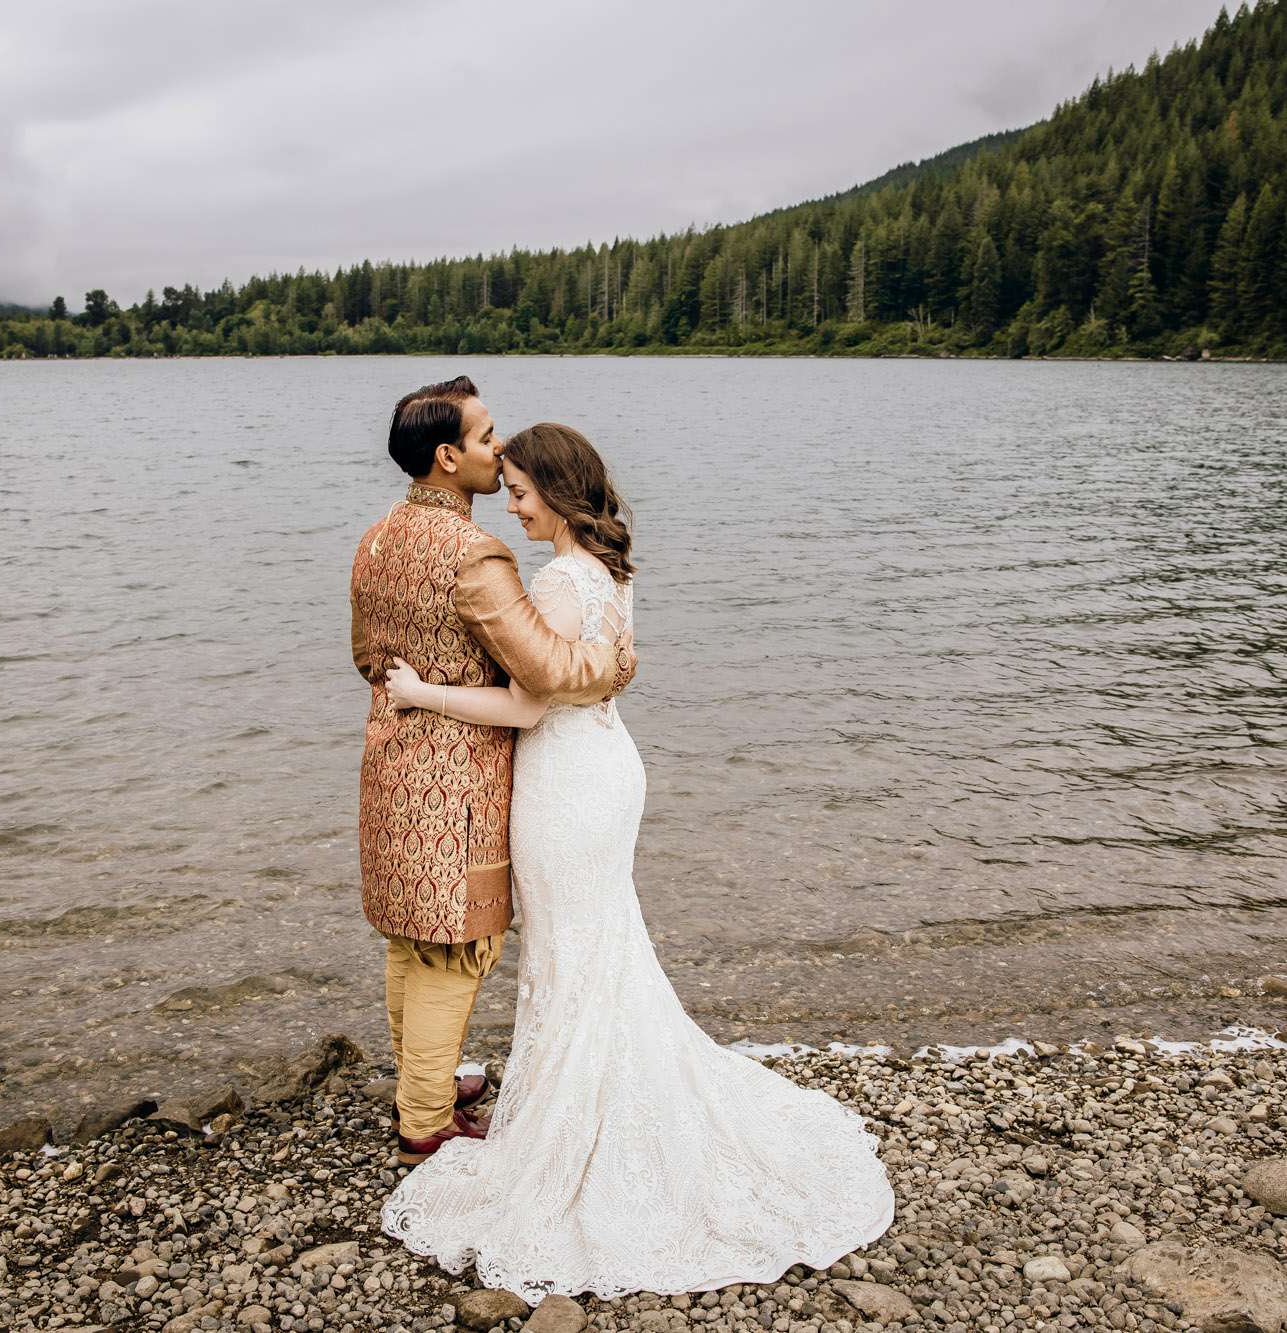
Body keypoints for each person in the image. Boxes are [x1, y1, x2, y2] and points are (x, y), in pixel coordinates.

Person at [377, 422, 893, 1301]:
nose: (514, 504)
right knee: (597, 947)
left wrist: (421, 692)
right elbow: (596, 672)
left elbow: (528, 706)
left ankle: (582, 1129)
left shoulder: (557, 579)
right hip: (604, 769)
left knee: (574, 954)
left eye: (525, 492)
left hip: (568, 784)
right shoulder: (607, 570)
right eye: (507, 487)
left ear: (561, 491)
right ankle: (586, 1099)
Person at [349, 376, 635, 1166]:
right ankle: (425, 1122)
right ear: (447, 457)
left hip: (389, 764)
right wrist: (610, 665)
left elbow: (365, 658)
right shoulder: (476, 556)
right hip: (460, 783)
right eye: (485, 438)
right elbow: (544, 669)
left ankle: (423, 1081)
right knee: (453, 947)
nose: (500, 450)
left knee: (411, 939)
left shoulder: (376, 538)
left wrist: (415, 691)